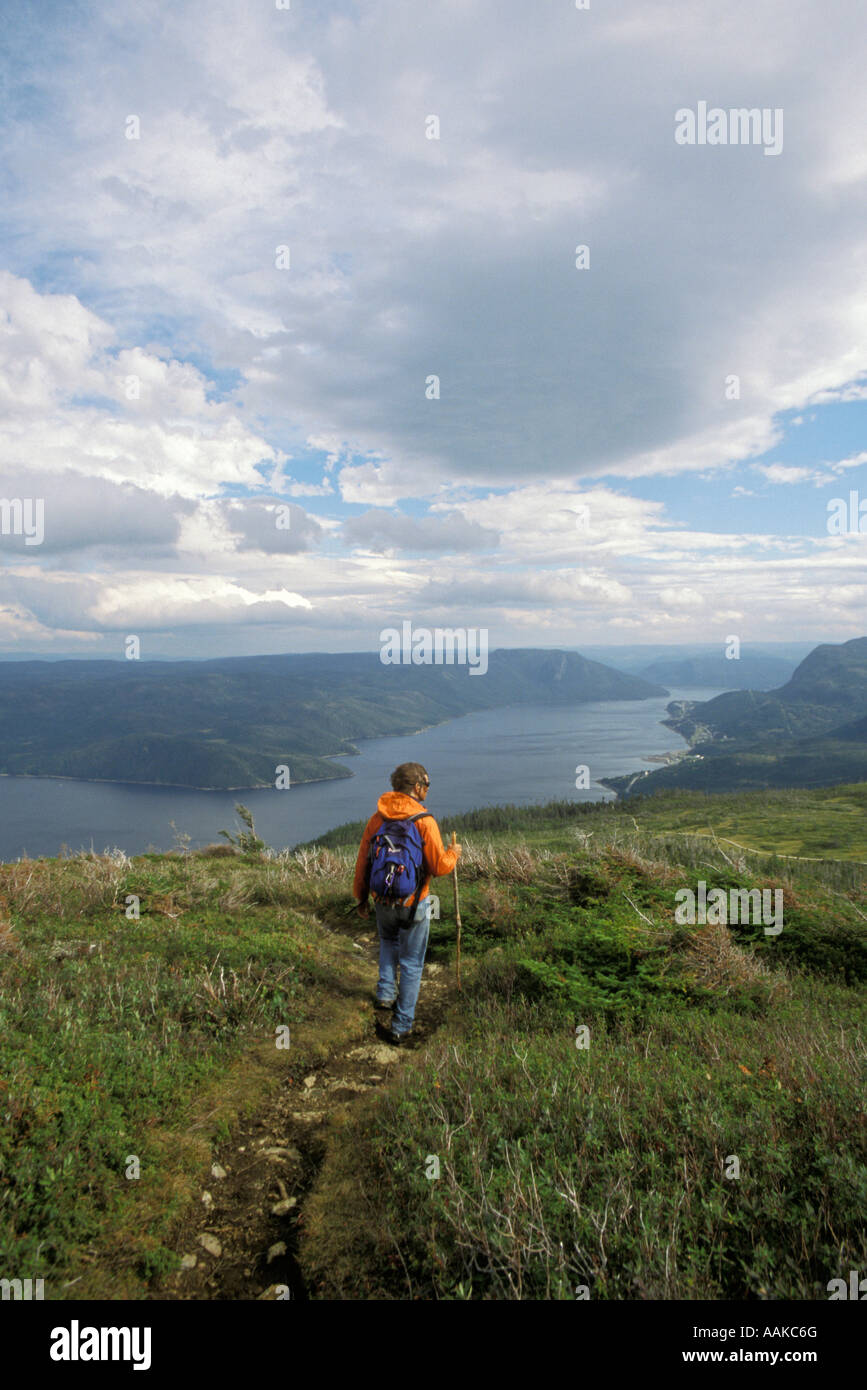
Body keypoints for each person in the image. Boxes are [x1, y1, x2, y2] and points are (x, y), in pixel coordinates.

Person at [353, 761, 461, 1043]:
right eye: (426, 785)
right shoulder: (424, 821)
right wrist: (454, 853)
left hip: (382, 900)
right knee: (412, 962)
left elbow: (364, 862)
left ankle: (386, 994)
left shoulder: (378, 819)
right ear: (416, 787)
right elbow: (439, 866)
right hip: (415, 903)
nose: (427, 790)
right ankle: (401, 1026)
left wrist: (361, 899)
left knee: (388, 943)